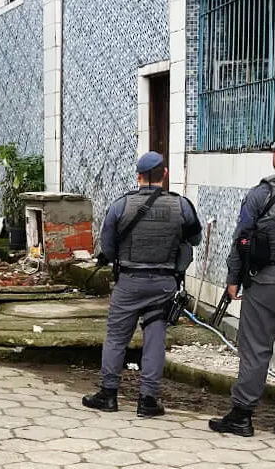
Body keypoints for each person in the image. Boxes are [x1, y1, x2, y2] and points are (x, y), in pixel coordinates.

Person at [82, 152, 202, 417]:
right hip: (163, 284)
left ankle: (108, 394)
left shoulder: (120, 205)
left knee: (116, 338)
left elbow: (109, 248)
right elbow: (194, 239)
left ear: (138, 176)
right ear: (165, 174)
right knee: (155, 340)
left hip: (129, 282)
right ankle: (148, 400)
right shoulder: (181, 205)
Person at [209, 131, 275, 442]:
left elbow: (242, 240)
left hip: (266, 282)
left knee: (255, 349)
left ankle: (242, 416)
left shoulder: (261, 193)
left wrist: (233, 279)